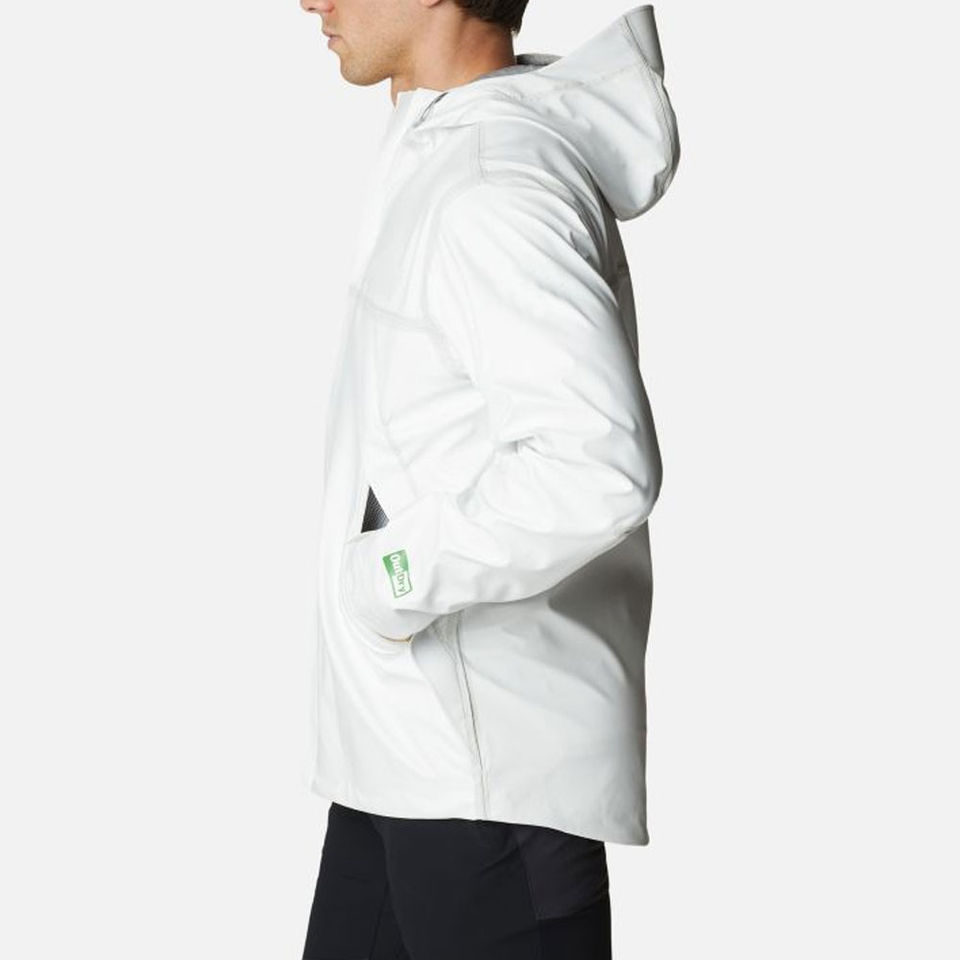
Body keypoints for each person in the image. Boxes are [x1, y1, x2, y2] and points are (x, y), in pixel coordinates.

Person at [298, 1, 680, 956]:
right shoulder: (440, 152)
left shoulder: (492, 186)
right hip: (402, 765)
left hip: (486, 788)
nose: (309, 0)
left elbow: (597, 460)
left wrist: (385, 579)